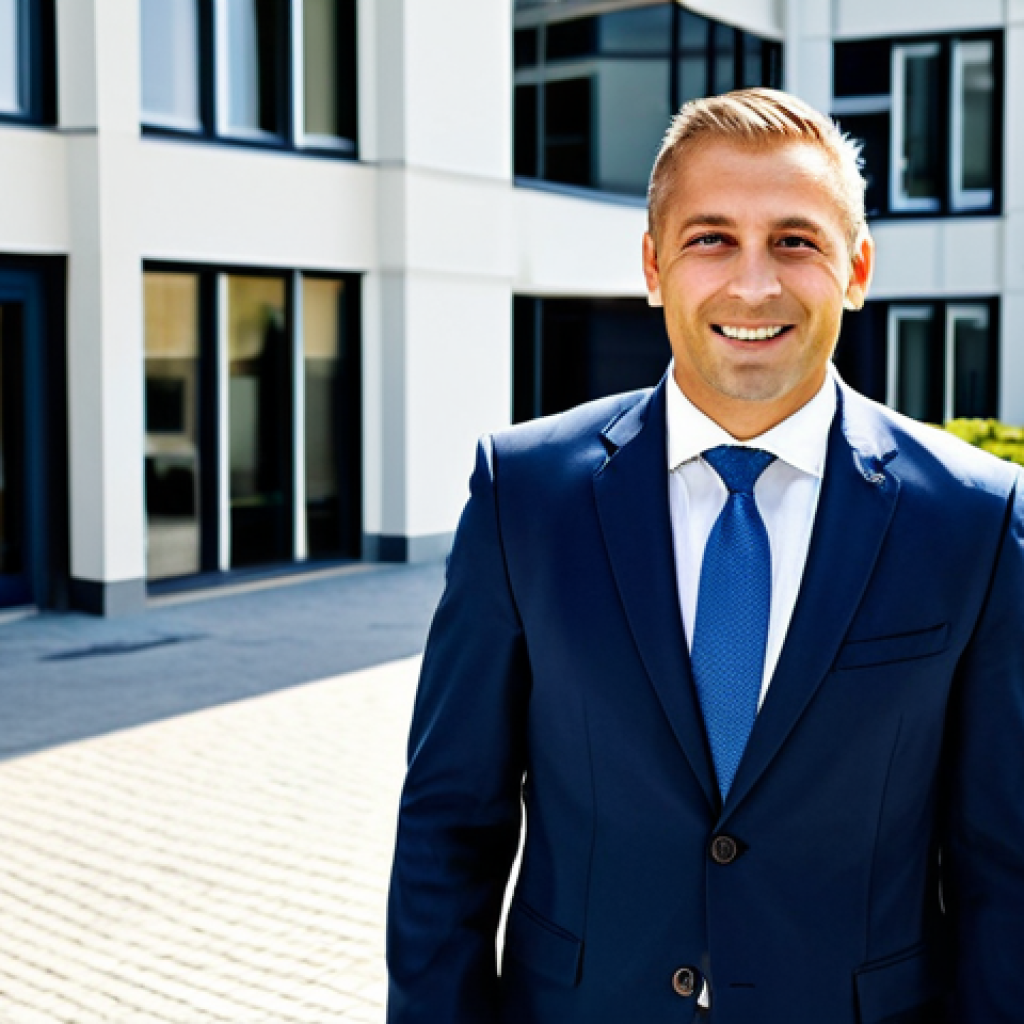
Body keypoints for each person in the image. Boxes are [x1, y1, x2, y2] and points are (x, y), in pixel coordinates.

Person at [385, 89, 1024, 1024]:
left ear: (857, 269)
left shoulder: (972, 518)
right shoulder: (523, 495)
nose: (754, 284)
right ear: (654, 265)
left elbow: (1002, 865)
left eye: (796, 241)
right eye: (712, 238)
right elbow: (450, 826)